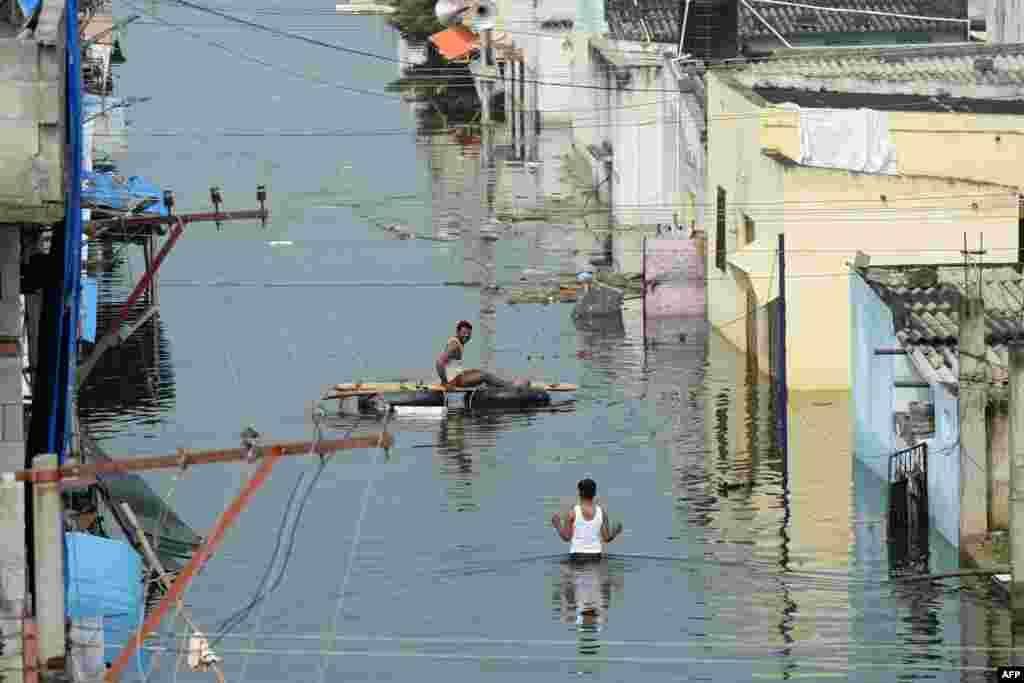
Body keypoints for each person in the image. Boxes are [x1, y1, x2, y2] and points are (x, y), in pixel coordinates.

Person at [435, 320, 525, 391]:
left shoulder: (458, 343)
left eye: (468, 334)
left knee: (478, 371)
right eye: (464, 333)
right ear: (457, 332)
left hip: (457, 376)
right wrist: (445, 383)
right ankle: (511, 386)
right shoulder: (454, 344)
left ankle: (496, 386)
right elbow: (439, 362)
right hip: (454, 381)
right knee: (485, 376)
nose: (466, 336)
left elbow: (449, 364)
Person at [551, 478, 623, 560]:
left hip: (577, 555)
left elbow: (566, 538)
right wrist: (616, 531)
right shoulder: (602, 512)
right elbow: (606, 538)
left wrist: (557, 525)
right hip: (596, 555)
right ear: (595, 493)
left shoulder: (572, 512)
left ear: (579, 492)